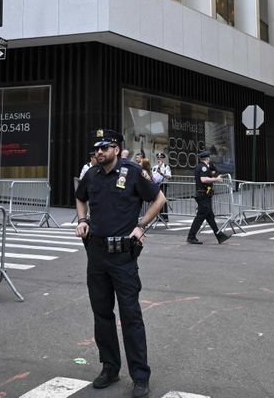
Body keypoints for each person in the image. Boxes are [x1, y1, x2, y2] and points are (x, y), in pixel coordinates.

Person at [75, 129, 165, 398]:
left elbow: (159, 198)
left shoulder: (133, 171)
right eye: (96, 148)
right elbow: (80, 197)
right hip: (97, 254)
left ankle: (140, 376)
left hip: (123, 256)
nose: (99, 152)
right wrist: (82, 220)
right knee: (102, 314)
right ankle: (110, 367)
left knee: (130, 316)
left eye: (104, 147)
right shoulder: (91, 174)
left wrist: (141, 225)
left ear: (116, 149)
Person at [187, 151, 230, 245]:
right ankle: (191, 237)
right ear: (207, 158)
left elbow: (209, 174)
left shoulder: (203, 167)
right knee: (200, 216)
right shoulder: (202, 167)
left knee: (210, 217)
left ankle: (219, 236)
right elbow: (204, 179)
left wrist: (213, 173)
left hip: (205, 195)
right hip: (203, 196)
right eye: (209, 158)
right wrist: (216, 179)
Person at [151, 151, 171, 222]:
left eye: (161, 158)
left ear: (163, 159)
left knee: (163, 200)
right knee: (156, 200)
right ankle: (158, 216)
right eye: (158, 158)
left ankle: (165, 216)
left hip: (163, 185)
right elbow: (153, 176)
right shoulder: (154, 167)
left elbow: (168, 177)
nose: (159, 159)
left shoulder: (166, 166)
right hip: (156, 185)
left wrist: (162, 174)